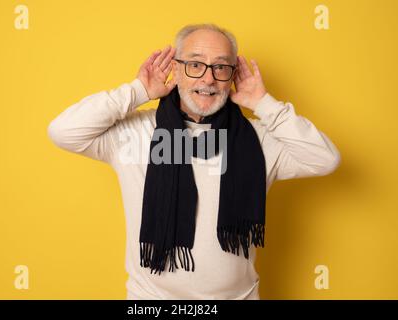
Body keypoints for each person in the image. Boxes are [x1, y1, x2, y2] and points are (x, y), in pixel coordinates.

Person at [47, 23, 341, 300]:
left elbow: (325, 159)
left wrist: (265, 104)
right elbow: (63, 131)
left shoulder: (258, 139)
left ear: (233, 75)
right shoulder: (135, 133)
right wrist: (138, 91)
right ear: (175, 69)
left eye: (221, 66)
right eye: (195, 64)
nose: (208, 78)